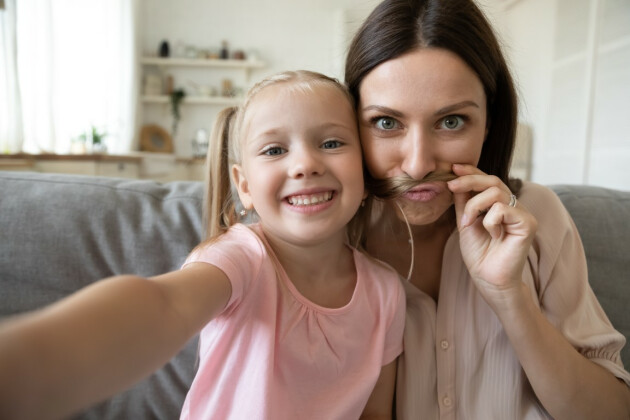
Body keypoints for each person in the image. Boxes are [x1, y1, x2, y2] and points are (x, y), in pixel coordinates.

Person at [0, 70, 406, 420]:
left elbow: (373, 413)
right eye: (275, 150)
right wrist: (27, 365)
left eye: (332, 143)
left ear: (365, 171)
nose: (305, 164)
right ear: (244, 186)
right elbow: (165, 306)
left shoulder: (386, 292)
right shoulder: (241, 258)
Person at [344, 0, 630, 419]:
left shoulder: (538, 214)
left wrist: (509, 296)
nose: (419, 164)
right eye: (387, 122)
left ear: (490, 122)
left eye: (452, 121)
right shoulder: (323, 239)